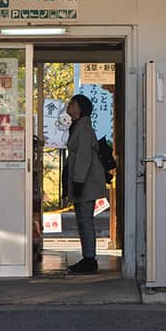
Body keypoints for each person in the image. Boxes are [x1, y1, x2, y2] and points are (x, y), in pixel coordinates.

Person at [64, 93, 105, 274]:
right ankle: (87, 256)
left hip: (86, 181)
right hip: (82, 180)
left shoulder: (84, 129)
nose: (69, 105)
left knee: (85, 220)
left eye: (73, 103)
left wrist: (78, 181)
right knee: (82, 220)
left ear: (80, 108)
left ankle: (90, 259)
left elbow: (83, 157)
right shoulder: (78, 126)